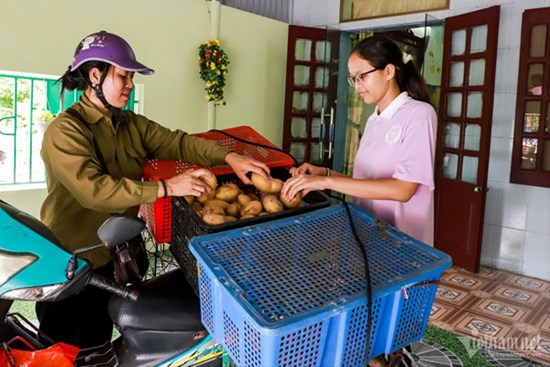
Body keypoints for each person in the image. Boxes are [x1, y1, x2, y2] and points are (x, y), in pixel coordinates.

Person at [37, 30, 270, 349]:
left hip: (109, 262)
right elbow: (92, 190)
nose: (130, 85)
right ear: (95, 75)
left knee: (98, 342)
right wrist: (165, 187)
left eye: (131, 77)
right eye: (124, 76)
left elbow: (178, 143)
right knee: (58, 346)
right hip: (68, 262)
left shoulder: (130, 125)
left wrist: (230, 156)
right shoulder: (65, 130)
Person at [282, 35, 437, 246]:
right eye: (353, 78)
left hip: (402, 242)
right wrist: (324, 173)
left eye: (362, 76)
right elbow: (365, 182)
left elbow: (403, 190)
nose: (357, 85)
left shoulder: (419, 114)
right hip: (367, 234)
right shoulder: (374, 120)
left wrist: (325, 181)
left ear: (389, 71)